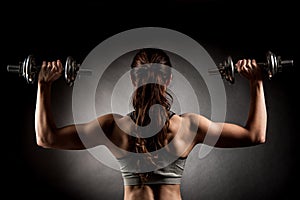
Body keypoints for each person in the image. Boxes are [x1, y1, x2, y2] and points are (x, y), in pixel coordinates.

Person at [35, 48, 267, 200]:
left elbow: (46, 138)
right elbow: (255, 135)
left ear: (134, 79)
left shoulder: (112, 128)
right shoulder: (190, 127)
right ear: (168, 79)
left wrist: (43, 86)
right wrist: (256, 82)